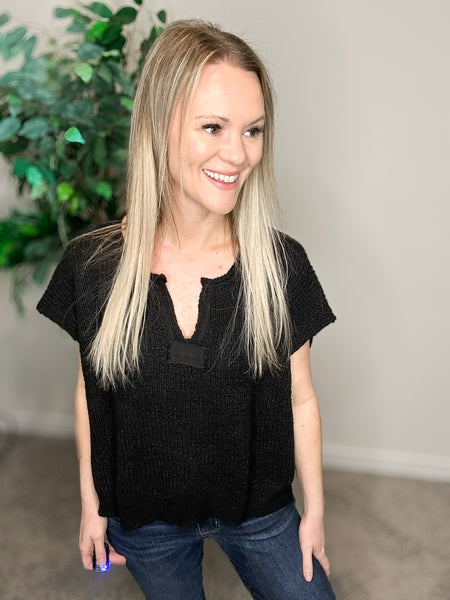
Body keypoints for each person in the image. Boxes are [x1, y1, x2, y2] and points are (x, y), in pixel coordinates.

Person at [36, 19, 337, 600]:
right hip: (146, 523)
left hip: (260, 512)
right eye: (213, 127)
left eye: (253, 130)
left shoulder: (281, 266)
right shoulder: (93, 267)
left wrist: (316, 512)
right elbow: (91, 394)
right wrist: (92, 505)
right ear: (161, 126)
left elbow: (300, 397)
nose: (239, 154)